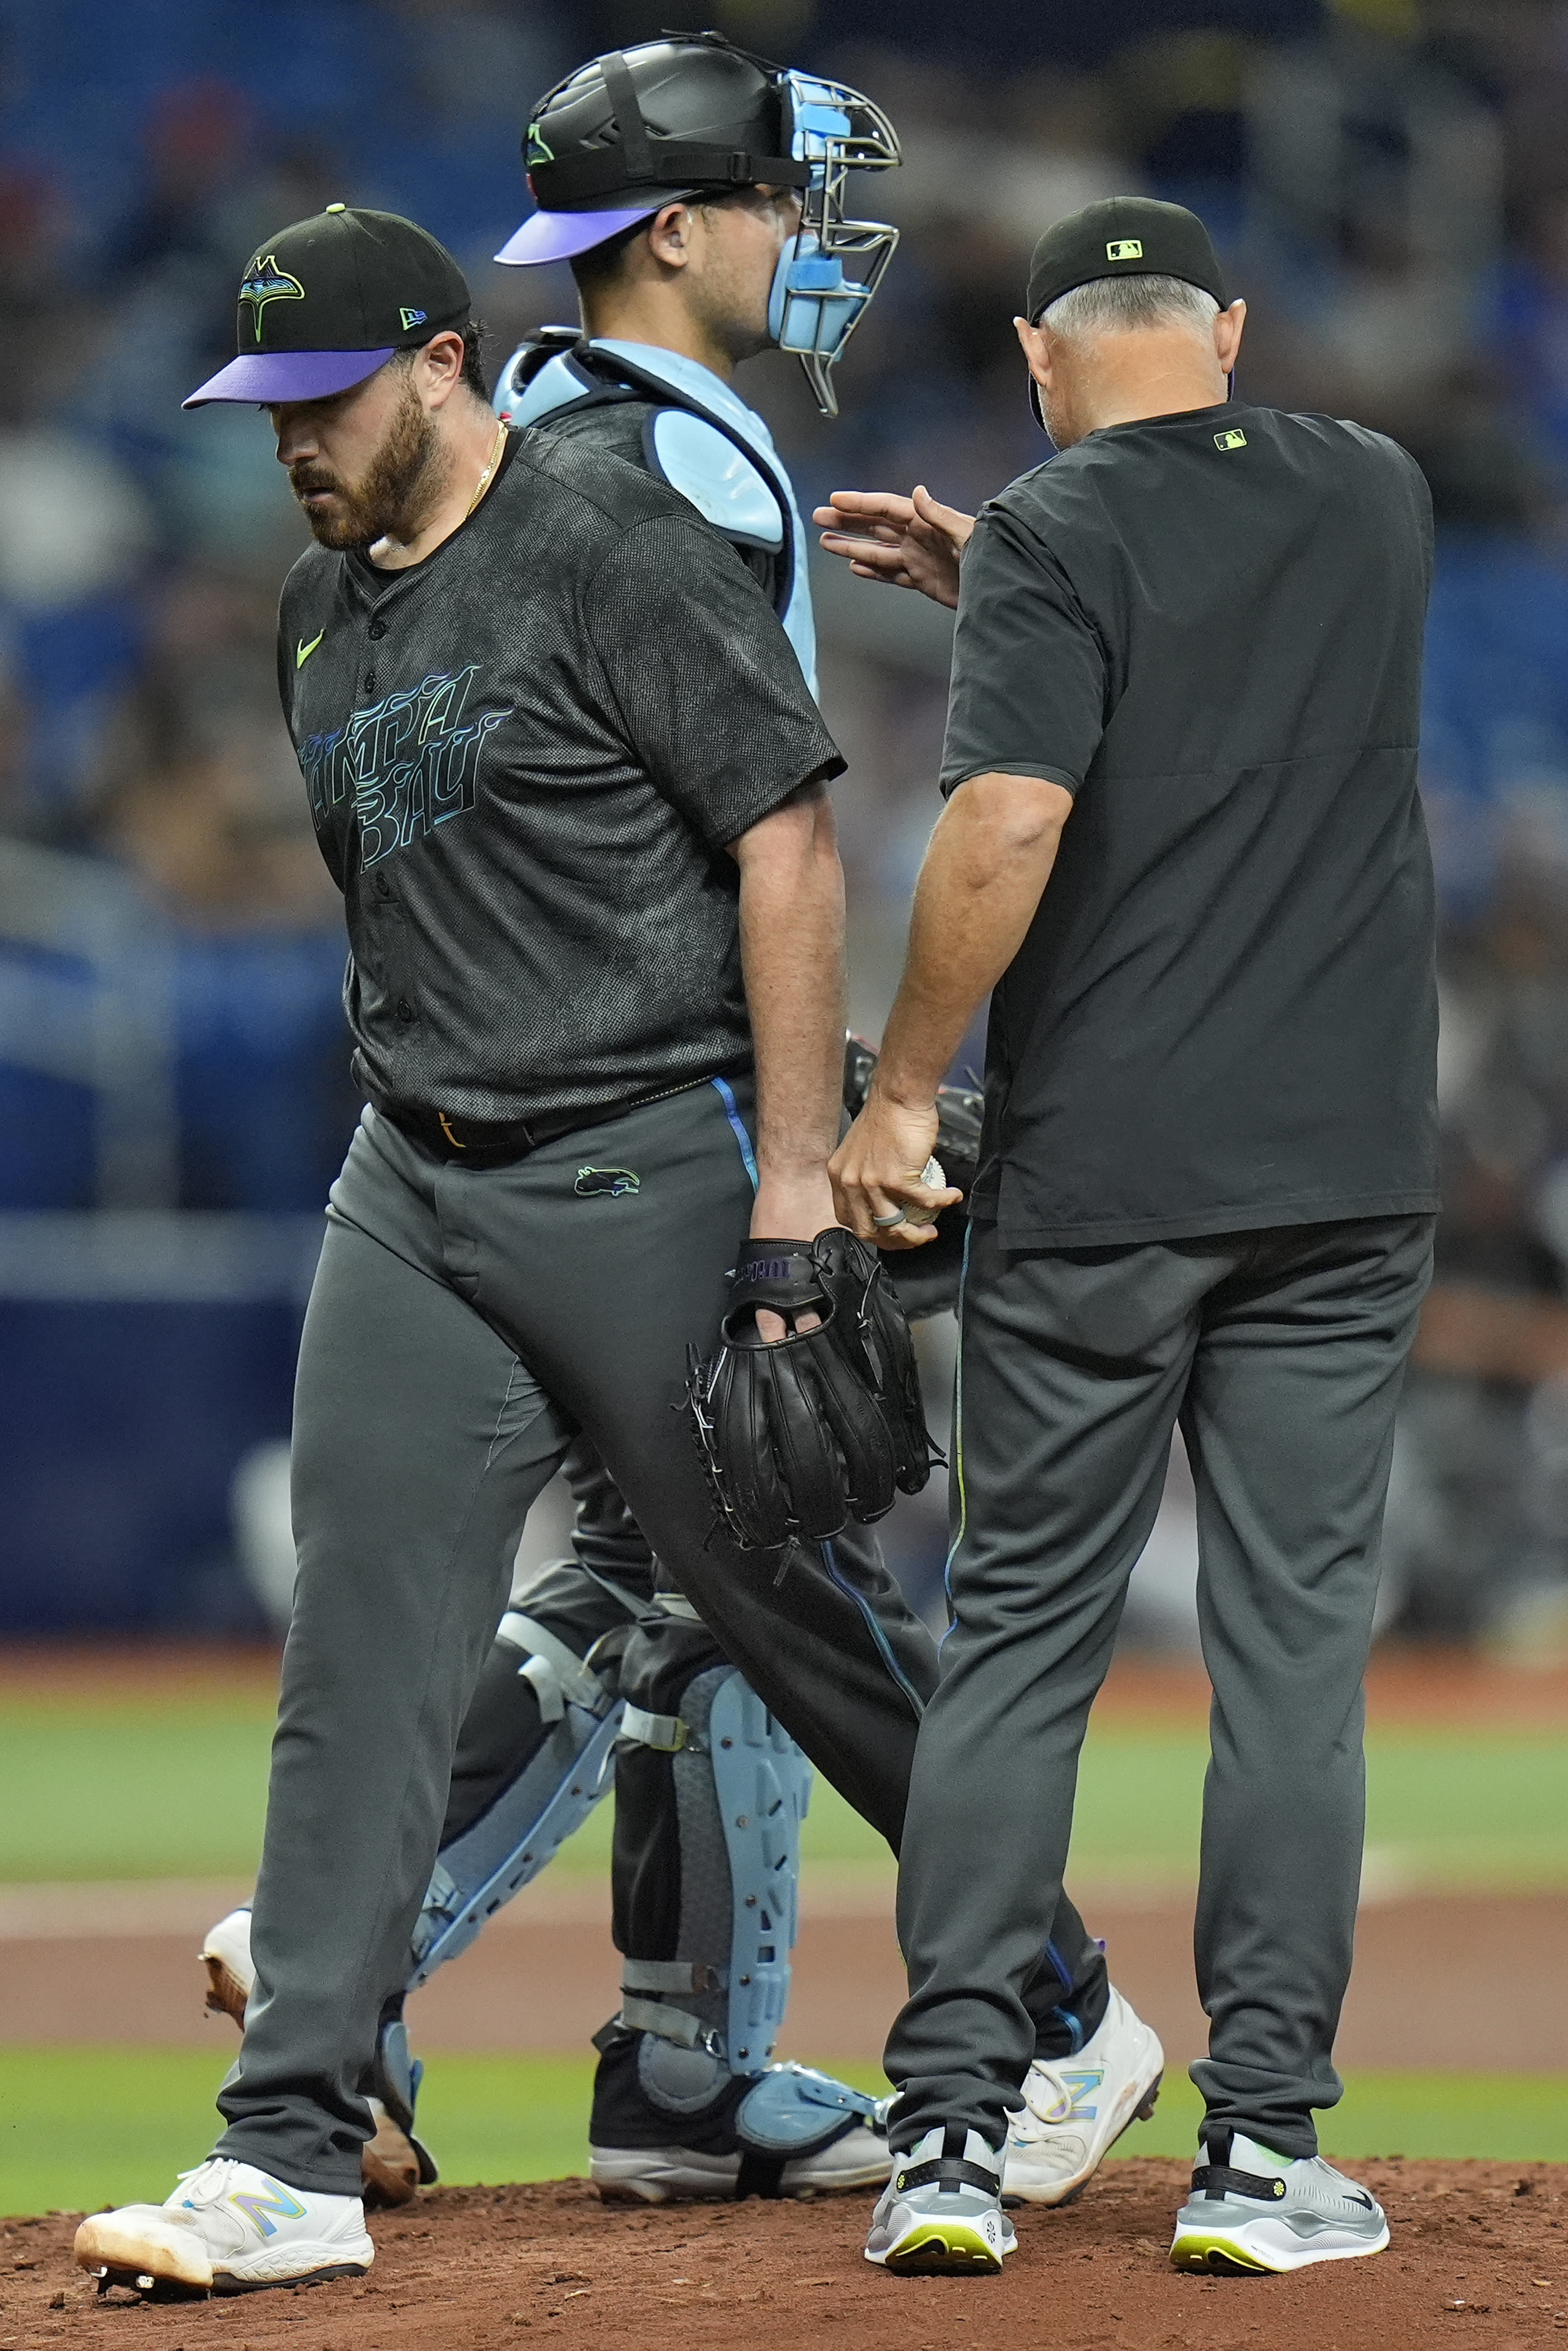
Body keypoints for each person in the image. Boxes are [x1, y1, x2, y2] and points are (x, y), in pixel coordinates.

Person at [70, 182, 1132, 2302]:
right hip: (418, 1182)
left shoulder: (605, 534)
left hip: (649, 1151)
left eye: (325, 392)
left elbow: (784, 836)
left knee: (789, 1609)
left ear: (440, 363)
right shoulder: (318, 606)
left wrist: (789, 1182)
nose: (291, 436)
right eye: (264, 398)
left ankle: (1062, 2003)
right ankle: (286, 2153)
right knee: (358, 1651)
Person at [828, 196, 1439, 2278]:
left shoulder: (1059, 530)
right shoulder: (1377, 491)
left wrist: (901, 1091)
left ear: (1030, 353)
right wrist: (1006, 569)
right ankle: (1265, 2157)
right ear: (1234, 329)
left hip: (1100, 1178)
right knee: (1293, 1666)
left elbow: (1009, 816)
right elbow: (1215, 609)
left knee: (1019, 1641)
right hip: (1339, 1178)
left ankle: (945, 2138)